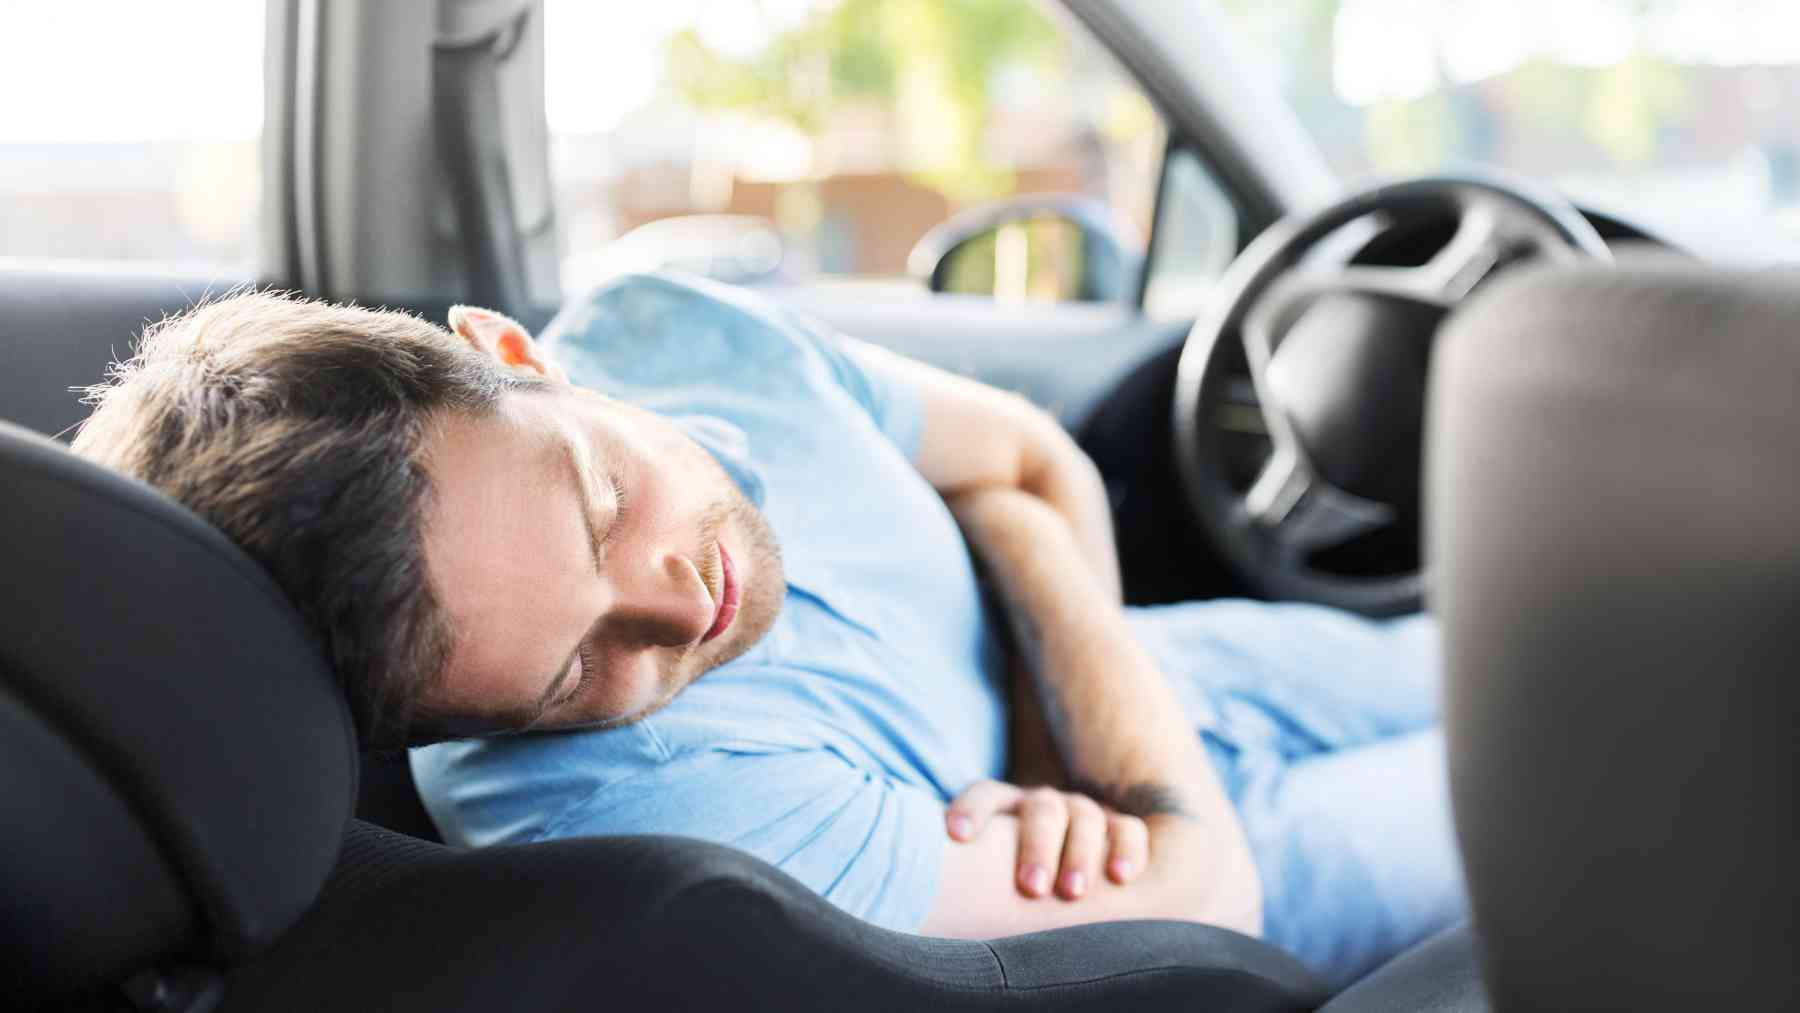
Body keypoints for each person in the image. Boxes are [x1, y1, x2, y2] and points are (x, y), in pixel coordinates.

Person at [73, 276, 1462, 988]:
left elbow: (1034, 463)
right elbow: (1202, 903)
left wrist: (1069, 755)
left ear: (515, 354)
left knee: (1520, 649)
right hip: (1239, 841)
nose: (681, 606)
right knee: (1607, 771)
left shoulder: (671, 328)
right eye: (573, 669)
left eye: (604, 499)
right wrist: (1032, 575)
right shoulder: (628, 805)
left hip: (1158, 700)